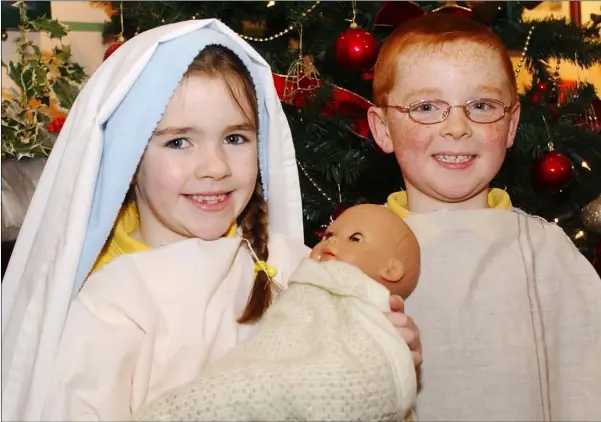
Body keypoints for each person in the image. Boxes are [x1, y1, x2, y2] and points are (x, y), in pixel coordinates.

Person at [1, 19, 420, 422]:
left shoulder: (297, 266)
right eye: (179, 142)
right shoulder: (104, 300)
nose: (215, 167)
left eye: (235, 138)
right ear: (129, 154)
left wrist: (388, 354)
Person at [367, 13, 601, 421]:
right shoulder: (356, 258)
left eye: (481, 105)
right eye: (426, 106)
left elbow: (586, 378)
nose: (457, 127)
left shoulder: (546, 252)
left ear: (511, 126)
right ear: (383, 127)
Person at [133, 204, 420, 422]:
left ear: (391, 269)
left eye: (354, 239)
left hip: (287, 383)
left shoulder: (359, 306)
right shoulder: (296, 276)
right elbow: (273, 342)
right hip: (251, 373)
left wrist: (390, 353)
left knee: (234, 392)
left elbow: (361, 373)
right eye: (330, 233)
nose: (331, 241)